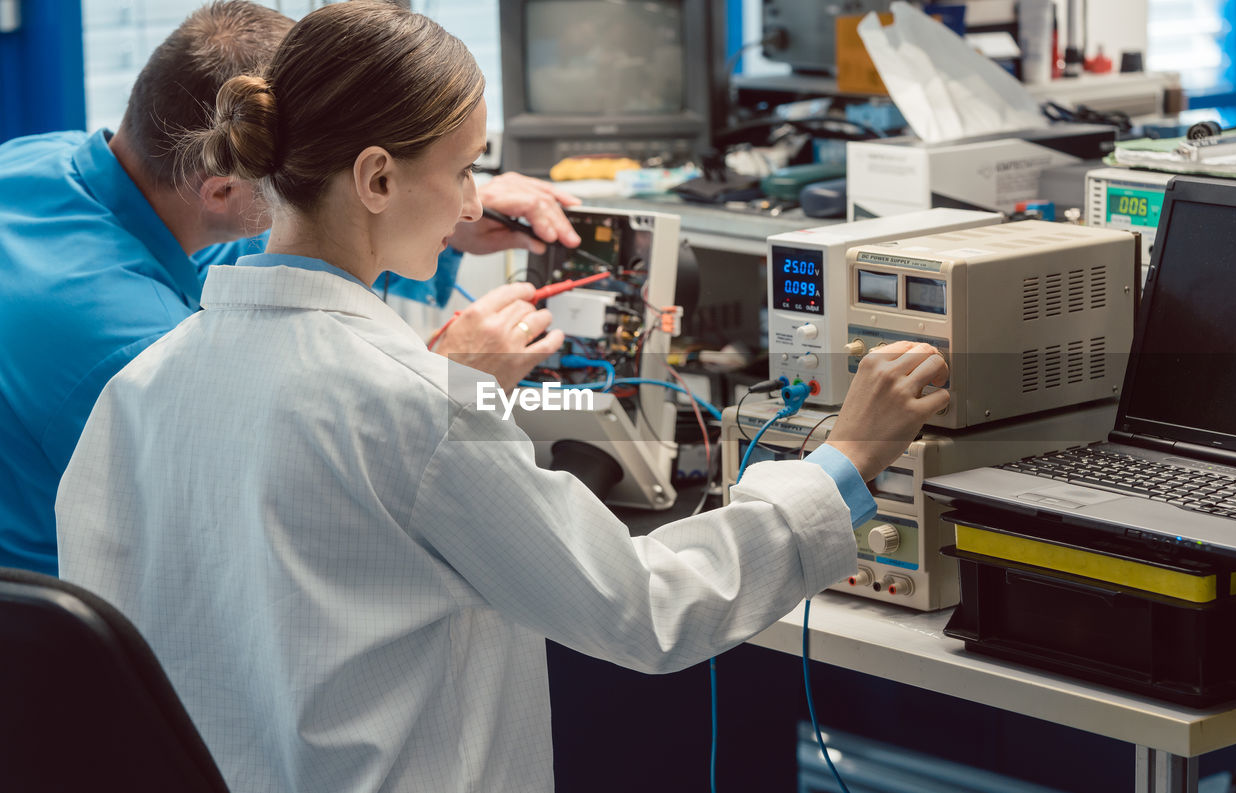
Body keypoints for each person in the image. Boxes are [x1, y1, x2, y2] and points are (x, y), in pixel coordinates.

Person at [56, 3, 951, 792]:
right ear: (375, 179)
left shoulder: (138, 388)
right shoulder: (421, 403)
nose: (474, 201)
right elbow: (645, 605)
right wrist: (846, 462)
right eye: (464, 167)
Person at [0, 1, 576, 576]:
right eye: (295, 168)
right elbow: (298, 495)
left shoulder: (39, 160)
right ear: (224, 186)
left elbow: (225, 251)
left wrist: (433, 215)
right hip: (78, 629)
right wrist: (446, 381)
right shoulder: (136, 355)